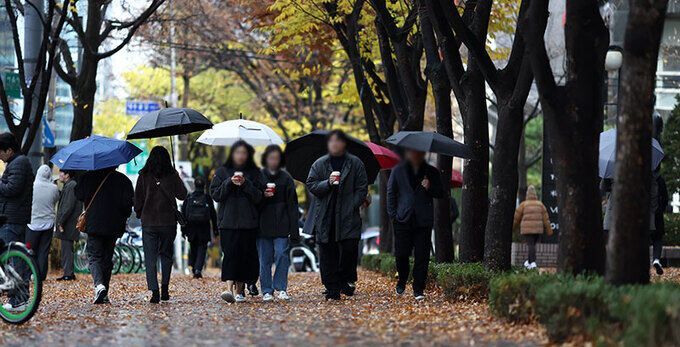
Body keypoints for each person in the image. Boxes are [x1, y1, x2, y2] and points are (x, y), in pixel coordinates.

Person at [306, 130, 368, 300]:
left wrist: (351, 205)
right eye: (331, 140)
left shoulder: (355, 163)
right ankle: (332, 286)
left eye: (338, 140)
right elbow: (311, 184)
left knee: (348, 250)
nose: (334, 143)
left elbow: (362, 188)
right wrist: (327, 183)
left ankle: (343, 280)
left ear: (344, 143)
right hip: (326, 215)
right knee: (327, 252)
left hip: (348, 216)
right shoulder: (319, 164)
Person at [210, 140, 264, 303]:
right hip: (228, 222)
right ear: (232, 154)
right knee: (231, 255)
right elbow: (215, 194)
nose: (240, 156)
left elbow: (259, 197)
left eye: (244, 153)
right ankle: (229, 290)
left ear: (248, 155)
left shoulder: (255, 173)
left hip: (249, 223)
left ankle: (240, 290)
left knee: (245, 257)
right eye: (237, 152)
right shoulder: (222, 172)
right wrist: (229, 183)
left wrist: (245, 184)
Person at [386, 149, 444, 300]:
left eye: (418, 152)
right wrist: (393, 216)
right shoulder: (398, 170)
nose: (415, 154)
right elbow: (391, 192)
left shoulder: (431, 171)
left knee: (422, 256)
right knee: (401, 254)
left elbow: (441, 192)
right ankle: (402, 278)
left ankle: (418, 288)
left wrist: (429, 186)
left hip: (423, 220)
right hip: (402, 219)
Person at [134, 146, 188, 303]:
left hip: (149, 222)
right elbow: (182, 195)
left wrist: (140, 213)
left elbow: (138, 199)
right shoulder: (171, 175)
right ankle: (165, 287)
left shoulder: (143, 175)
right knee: (166, 255)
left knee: (150, 258)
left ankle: (154, 291)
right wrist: (176, 176)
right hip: (168, 223)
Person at [75, 166, 134, 304]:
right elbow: (128, 205)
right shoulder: (123, 180)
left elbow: (78, 194)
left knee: (95, 256)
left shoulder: (88, 177)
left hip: (94, 223)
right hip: (113, 225)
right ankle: (104, 291)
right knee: (107, 258)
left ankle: (99, 285)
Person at [257, 145, 299, 302]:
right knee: (265, 259)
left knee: (282, 255)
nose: (273, 161)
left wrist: (294, 230)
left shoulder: (286, 178)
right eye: (270, 158)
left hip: (282, 225)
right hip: (262, 226)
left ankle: (281, 288)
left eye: (276, 158)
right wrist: (263, 196)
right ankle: (266, 290)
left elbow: (293, 206)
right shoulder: (259, 177)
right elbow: (253, 201)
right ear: (265, 159)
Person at [0, 133, 33, 311]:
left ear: (9, 150)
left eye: (0, 152)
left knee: (14, 260)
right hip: (14, 217)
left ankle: (18, 299)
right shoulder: (17, 163)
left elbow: (12, 188)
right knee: (14, 259)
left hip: (12, 218)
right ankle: (17, 297)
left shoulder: (19, 163)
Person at [25, 165, 59, 281]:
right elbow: (55, 200)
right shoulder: (53, 188)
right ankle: (41, 275)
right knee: (43, 251)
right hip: (48, 223)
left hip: (33, 223)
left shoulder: (32, 187)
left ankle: (29, 272)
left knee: (30, 250)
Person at [181, 176, 217, 279]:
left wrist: (183, 230)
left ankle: (194, 267)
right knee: (202, 248)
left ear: (195, 185)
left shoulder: (189, 197)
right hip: (204, 228)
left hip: (191, 228)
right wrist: (215, 229)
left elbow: (183, 214)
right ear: (204, 186)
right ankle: (198, 269)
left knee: (193, 248)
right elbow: (213, 214)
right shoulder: (207, 198)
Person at [513, 185, 553, 270]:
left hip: (527, 230)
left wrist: (512, 228)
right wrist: (549, 230)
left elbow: (516, 218)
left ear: (527, 194)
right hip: (538, 230)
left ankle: (532, 262)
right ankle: (529, 262)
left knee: (530, 245)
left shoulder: (523, 204)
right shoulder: (540, 205)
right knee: (533, 245)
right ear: (535, 195)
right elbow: (546, 218)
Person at [55, 169, 82, 281]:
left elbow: (68, 206)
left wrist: (61, 221)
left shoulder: (71, 186)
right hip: (68, 223)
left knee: (67, 248)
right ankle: (68, 272)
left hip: (68, 224)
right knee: (67, 248)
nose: (60, 175)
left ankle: (68, 274)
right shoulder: (69, 185)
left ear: (67, 175)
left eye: (62, 173)